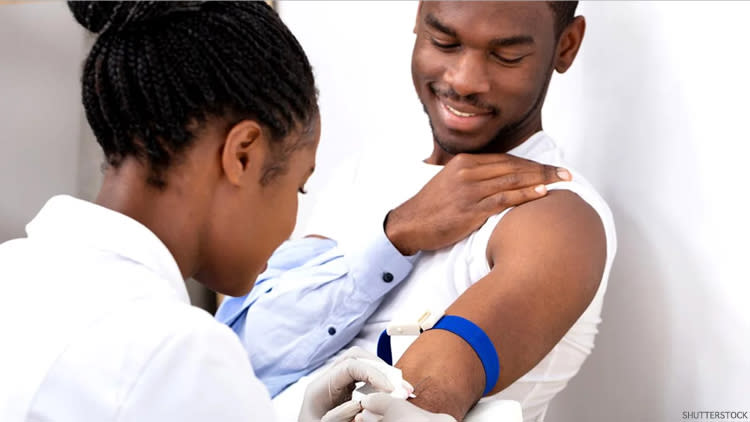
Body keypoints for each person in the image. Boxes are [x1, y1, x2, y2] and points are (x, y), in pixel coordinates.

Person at [0, 2, 443, 421]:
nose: (292, 220)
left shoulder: (16, 273)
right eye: (299, 186)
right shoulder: (176, 351)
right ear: (243, 155)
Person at [218, 1, 616, 422]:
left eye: (506, 56)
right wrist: (396, 233)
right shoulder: (364, 174)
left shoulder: (556, 216)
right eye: (444, 41)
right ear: (419, 18)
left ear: (566, 46)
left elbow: (422, 393)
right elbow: (243, 350)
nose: (464, 81)